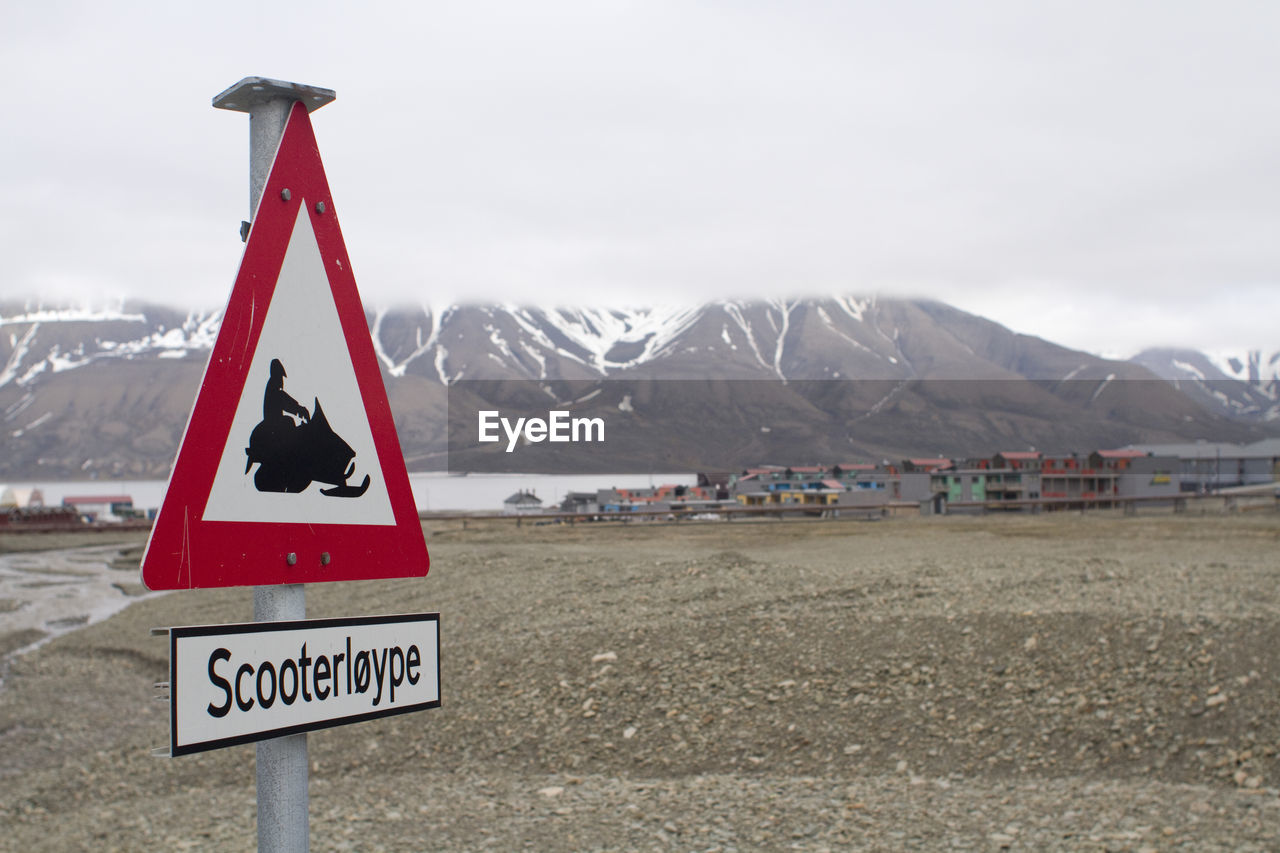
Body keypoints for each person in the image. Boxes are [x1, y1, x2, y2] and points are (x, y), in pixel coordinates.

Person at [263, 358, 309, 423]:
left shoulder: (272, 386)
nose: (282, 381)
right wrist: (299, 409)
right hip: (273, 421)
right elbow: (284, 400)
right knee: (289, 421)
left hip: (272, 419)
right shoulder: (275, 391)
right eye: (281, 377)